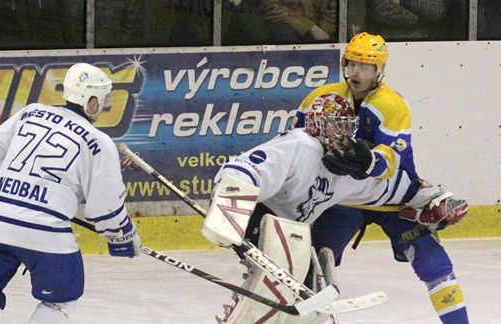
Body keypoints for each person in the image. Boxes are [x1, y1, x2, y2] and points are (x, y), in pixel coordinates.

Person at [201, 93, 468, 323]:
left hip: (291, 232)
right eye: (332, 126)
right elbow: (246, 167)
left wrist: (428, 198)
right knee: (283, 273)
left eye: (345, 127)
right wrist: (230, 211)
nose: (340, 134)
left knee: (306, 281)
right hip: (258, 214)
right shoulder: (299, 145)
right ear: (316, 125)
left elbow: (390, 189)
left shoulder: (345, 167)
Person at [0, 63, 141, 323]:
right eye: (102, 100)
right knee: (62, 300)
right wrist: (125, 239)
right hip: (46, 234)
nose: (103, 106)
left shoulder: (31, 113)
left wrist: (9, 194)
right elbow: (106, 213)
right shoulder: (99, 141)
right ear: (92, 101)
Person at [292, 32, 470, 323]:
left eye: (366, 67)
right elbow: (294, 142)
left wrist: (367, 159)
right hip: (344, 199)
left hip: (393, 199)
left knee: (434, 265)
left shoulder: (391, 104)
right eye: (351, 64)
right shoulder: (321, 98)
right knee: (311, 266)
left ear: (380, 71)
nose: (356, 73)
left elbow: (392, 161)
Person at [260, 0, 337, 43]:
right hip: (289, 30)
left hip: (323, 31)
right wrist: (310, 27)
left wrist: (323, 31)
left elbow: (334, 12)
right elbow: (272, 9)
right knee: (282, 31)